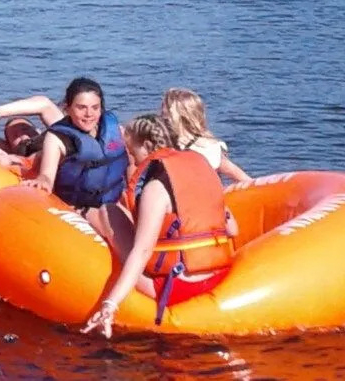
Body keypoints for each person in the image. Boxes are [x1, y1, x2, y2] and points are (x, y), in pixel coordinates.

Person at [83, 114, 238, 339]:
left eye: (132, 152)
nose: (131, 160)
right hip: (216, 276)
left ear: (147, 146)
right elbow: (233, 230)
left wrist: (110, 305)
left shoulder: (155, 189)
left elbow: (142, 252)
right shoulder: (201, 169)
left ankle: (83, 217)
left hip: (178, 286)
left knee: (107, 211)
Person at [0, 77, 131, 248]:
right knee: (1, 157)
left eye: (95, 107)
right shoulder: (54, 139)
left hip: (109, 199)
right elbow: (46, 175)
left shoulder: (111, 129)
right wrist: (42, 181)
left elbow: (44, 104)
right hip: (74, 198)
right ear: (68, 108)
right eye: (81, 107)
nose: (89, 113)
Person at [160, 88, 251, 184]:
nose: (161, 118)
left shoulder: (208, 148)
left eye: (164, 115)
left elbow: (244, 180)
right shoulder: (162, 143)